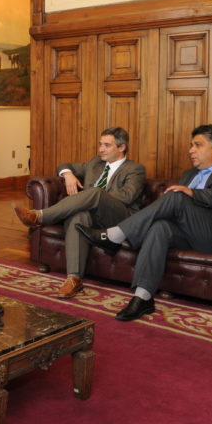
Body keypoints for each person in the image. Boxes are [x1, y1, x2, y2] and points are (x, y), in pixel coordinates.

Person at [77, 124, 212, 321]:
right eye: (191, 145)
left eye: (197, 145)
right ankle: (143, 297)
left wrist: (192, 193)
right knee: (159, 227)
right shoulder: (189, 174)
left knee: (177, 195)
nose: (191, 150)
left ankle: (115, 235)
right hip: (191, 234)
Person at [13, 127, 146, 299]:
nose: (101, 149)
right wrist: (68, 174)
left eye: (107, 145)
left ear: (122, 147)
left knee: (96, 193)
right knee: (78, 218)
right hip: (92, 217)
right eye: (100, 144)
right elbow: (64, 165)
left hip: (119, 218)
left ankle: (40, 216)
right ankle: (74, 279)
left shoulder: (135, 169)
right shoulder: (95, 163)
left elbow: (127, 197)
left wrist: (95, 196)